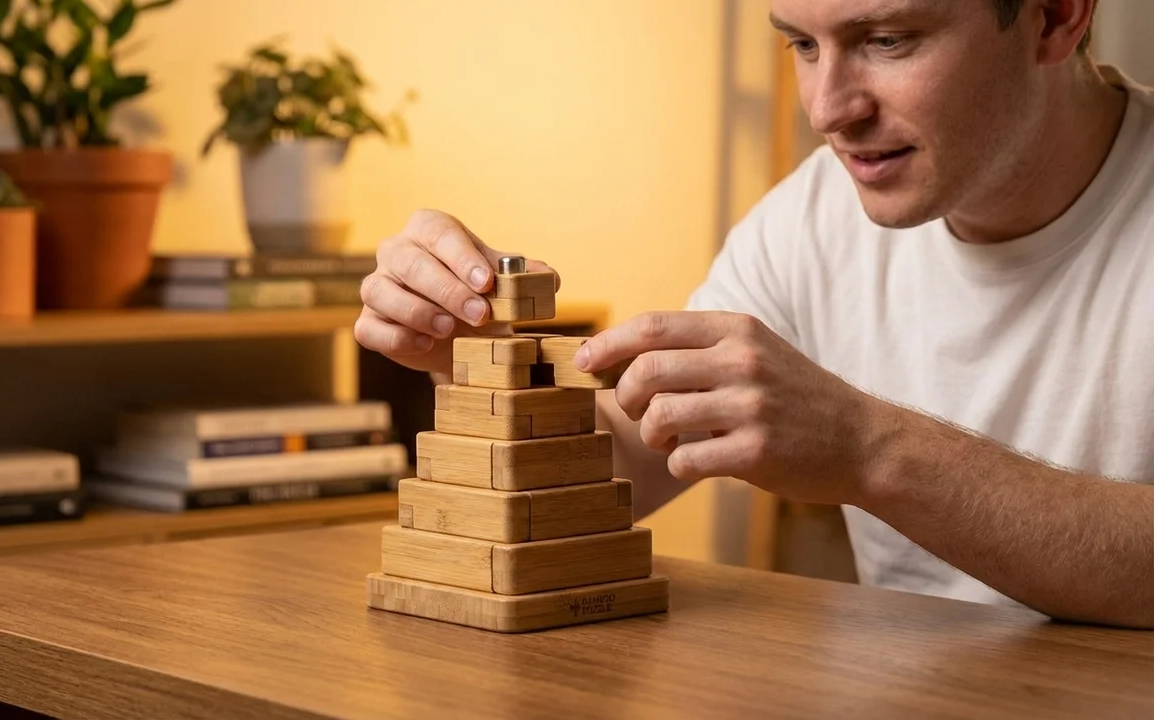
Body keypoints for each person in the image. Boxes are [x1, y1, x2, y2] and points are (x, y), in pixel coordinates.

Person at [355, 0, 1154, 630]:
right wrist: (486, 375)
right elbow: (629, 455)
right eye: (801, 45)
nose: (828, 109)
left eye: (886, 39)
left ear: (1054, 16)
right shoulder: (810, 218)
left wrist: (868, 448)